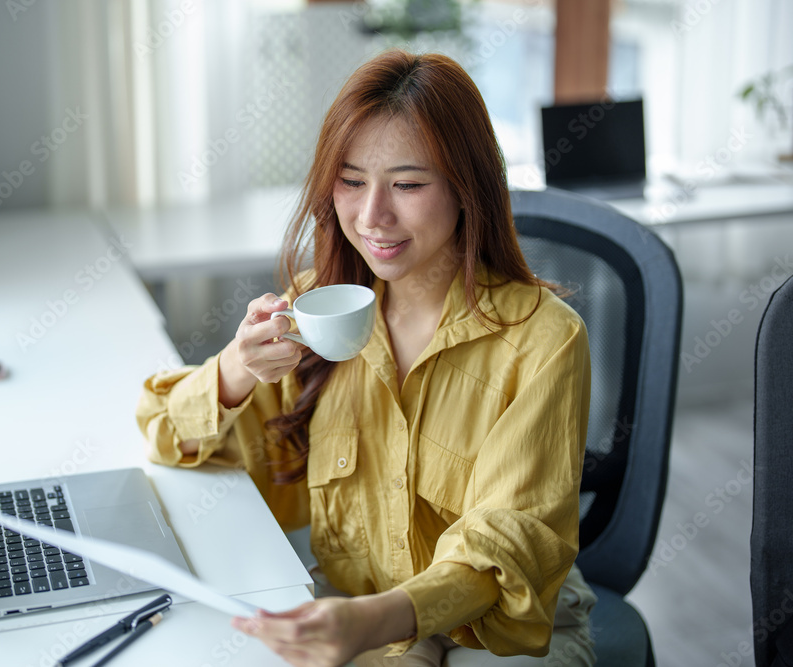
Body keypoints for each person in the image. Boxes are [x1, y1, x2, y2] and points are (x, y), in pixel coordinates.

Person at [137, 49, 596, 667]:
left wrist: (376, 619)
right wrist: (237, 371)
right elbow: (168, 433)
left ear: (469, 187)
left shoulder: (545, 339)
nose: (373, 217)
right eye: (352, 182)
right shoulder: (316, 312)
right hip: (358, 610)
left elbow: (508, 544)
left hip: (501, 623)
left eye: (407, 185)